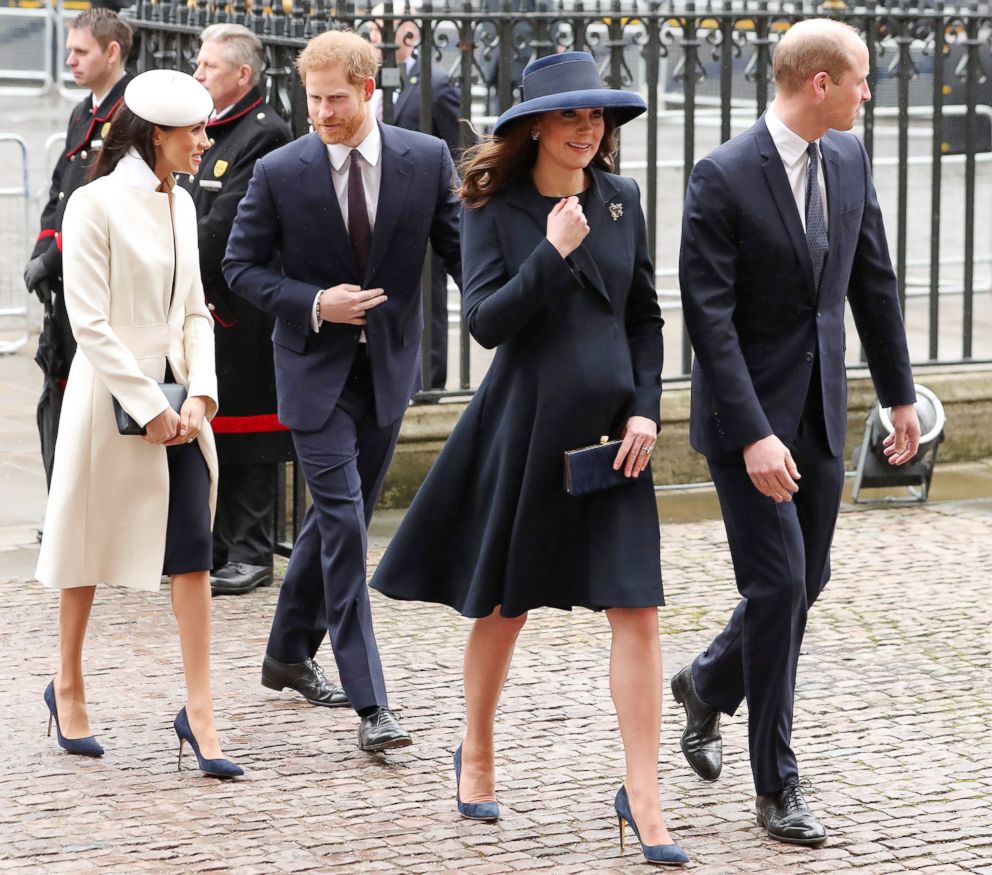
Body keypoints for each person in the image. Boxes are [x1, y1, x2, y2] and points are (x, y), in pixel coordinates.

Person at [370, 52, 688, 866]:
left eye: (598, 118)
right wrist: (550, 250)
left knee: (638, 609)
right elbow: (484, 322)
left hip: (618, 437)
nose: (589, 131)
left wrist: (648, 407)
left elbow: (645, 317)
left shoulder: (622, 200)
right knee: (504, 605)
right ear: (537, 126)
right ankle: (474, 749)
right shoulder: (491, 204)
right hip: (532, 429)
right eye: (573, 117)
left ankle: (642, 794)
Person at [675, 18, 920, 846]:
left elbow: (871, 282)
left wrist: (899, 397)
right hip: (746, 420)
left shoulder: (846, 157)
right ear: (820, 82)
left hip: (819, 409)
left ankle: (707, 682)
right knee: (778, 586)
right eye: (860, 78)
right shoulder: (722, 175)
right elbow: (708, 321)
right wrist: (751, 434)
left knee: (803, 581)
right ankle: (777, 784)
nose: (867, 91)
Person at [223, 29, 462, 751]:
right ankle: (372, 705)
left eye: (335, 99)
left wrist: (523, 301)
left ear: (367, 91)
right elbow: (240, 267)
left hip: (387, 373)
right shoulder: (280, 170)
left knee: (333, 524)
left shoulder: (425, 159)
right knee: (348, 527)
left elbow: (462, 254)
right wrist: (315, 301)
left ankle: (286, 652)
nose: (322, 112)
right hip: (311, 371)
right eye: (313, 99)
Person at [35, 69, 243, 779]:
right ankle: (66, 684)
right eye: (195, 131)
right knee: (85, 552)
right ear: (158, 135)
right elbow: (86, 321)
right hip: (108, 402)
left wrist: (199, 396)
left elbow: (193, 310)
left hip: (179, 400)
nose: (205, 141)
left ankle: (201, 709)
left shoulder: (183, 202)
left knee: (192, 552)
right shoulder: (92, 204)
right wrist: (148, 405)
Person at [181, 24, 294, 596]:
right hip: (208, 299)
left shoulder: (263, 133)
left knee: (249, 427)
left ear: (242, 75)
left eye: (208, 66)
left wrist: (177, 265)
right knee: (215, 423)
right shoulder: (211, 130)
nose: (197, 74)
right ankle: (221, 542)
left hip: (241, 305)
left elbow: (222, 224)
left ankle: (251, 548)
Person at [25, 9, 132, 489]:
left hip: (100, 281)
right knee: (60, 394)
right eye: (69, 50)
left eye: (80, 51)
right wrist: (43, 249)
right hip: (66, 281)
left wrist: (57, 256)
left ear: (112, 52)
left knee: (94, 403)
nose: (69, 60)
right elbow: (60, 191)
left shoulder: (129, 115)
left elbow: (108, 203)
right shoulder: (83, 110)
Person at [369, 11, 475, 390]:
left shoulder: (437, 83)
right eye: (372, 30)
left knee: (428, 299)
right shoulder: (370, 82)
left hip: (421, 212)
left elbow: (462, 153)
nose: (375, 37)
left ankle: (428, 382)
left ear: (409, 33)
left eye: (383, 30)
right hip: (375, 214)